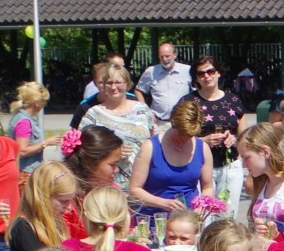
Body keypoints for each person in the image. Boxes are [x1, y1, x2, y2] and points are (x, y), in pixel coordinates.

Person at [129, 97, 212, 236]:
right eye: (180, 133)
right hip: (154, 221)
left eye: (190, 135)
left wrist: (202, 205)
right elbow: (135, 189)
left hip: (187, 223)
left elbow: (208, 186)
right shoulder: (150, 147)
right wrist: (163, 203)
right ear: (173, 124)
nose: (184, 139)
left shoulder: (202, 148)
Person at [77, 63, 158, 198]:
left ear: (127, 83)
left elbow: (152, 140)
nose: (113, 87)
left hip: (143, 183)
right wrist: (112, 151)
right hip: (110, 185)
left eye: (118, 82)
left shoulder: (142, 110)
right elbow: (82, 147)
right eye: (109, 83)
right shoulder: (94, 114)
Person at [184, 54, 247, 204]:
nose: (206, 76)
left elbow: (245, 137)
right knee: (202, 216)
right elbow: (178, 138)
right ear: (196, 78)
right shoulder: (188, 102)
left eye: (211, 71)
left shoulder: (233, 100)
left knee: (227, 215)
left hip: (229, 165)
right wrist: (202, 141)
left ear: (218, 72)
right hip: (199, 165)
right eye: (201, 73)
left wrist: (235, 139)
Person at [136, 42, 192, 123]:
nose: (165, 59)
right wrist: (145, 110)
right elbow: (138, 91)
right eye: (162, 57)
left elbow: (198, 92)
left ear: (175, 55)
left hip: (182, 122)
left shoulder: (187, 71)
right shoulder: (151, 71)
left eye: (167, 56)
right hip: (159, 123)